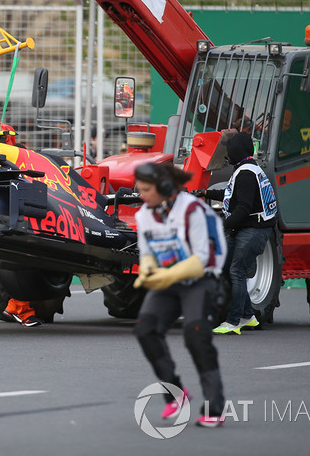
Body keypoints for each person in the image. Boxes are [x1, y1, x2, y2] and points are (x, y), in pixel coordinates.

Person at [132, 162, 228, 427]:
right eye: (139, 189)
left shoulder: (192, 210)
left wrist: (166, 276)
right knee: (145, 329)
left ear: (164, 187)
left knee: (196, 334)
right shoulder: (144, 215)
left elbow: (202, 258)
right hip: (168, 281)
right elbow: (147, 252)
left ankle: (214, 408)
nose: (141, 195)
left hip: (200, 279)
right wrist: (148, 268)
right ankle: (175, 394)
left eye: (146, 189)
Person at [204, 132, 277, 334]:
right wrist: (205, 193)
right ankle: (248, 316)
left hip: (254, 229)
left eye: (229, 150)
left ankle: (233, 321)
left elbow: (243, 207)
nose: (227, 154)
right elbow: (231, 194)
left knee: (236, 271)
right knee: (229, 268)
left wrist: (223, 225)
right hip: (250, 227)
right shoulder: (248, 169)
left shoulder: (246, 173)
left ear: (236, 151)